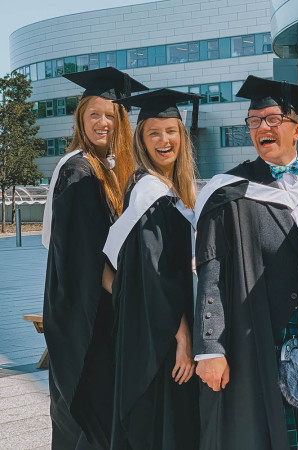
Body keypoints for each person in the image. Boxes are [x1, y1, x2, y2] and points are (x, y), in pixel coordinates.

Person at [193, 75, 298, 450]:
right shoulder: (229, 191)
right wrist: (211, 347)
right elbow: (210, 271)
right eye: (254, 121)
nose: (262, 127)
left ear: (297, 129)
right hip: (257, 337)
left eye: (272, 119)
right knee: (268, 431)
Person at [42, 67, 148, 450]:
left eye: (110, 115)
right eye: (94, 115)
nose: (102, 122)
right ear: (81, 120)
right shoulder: (78, 171)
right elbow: (88, 257)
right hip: (84, 317)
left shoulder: (110, 170)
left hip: (96, 311)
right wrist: (132, 300)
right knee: (89, 417)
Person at [103, 89, 200, 450]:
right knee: (165, 427)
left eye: (171, 131)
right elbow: (155, 275)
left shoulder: (168, 190)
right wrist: (183, 337)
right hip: (161, 338)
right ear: (141, 140)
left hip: (154, 330)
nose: (164, 140)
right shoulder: (150, 194)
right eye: (154, 133)